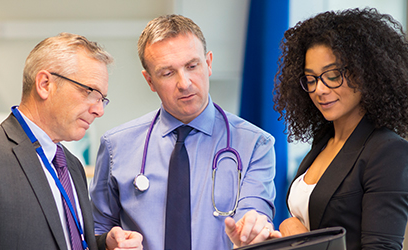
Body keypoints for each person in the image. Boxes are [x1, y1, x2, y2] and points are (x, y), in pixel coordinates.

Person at [0, 33, 144, 250]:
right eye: (89, 92)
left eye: (102, 99)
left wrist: (104, 245)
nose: (99, 110)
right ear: (45, 84)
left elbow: (64, 240)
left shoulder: (71, 165)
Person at [235, 8, 408, 249]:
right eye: (311, 79)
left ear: (366, 73)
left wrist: (298, 235)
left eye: (333, 76)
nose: (320, 89)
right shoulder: (324, 140)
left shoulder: (388, 151)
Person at [90, 14, 278, 250]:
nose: (185, 83)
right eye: (167, 73)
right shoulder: (115, 146)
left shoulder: (255, 144)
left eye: (192, 66)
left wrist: (253, 231)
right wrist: (110, 244)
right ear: (150, 81)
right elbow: (98, 230)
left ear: (208, 63)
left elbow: (255, 214)